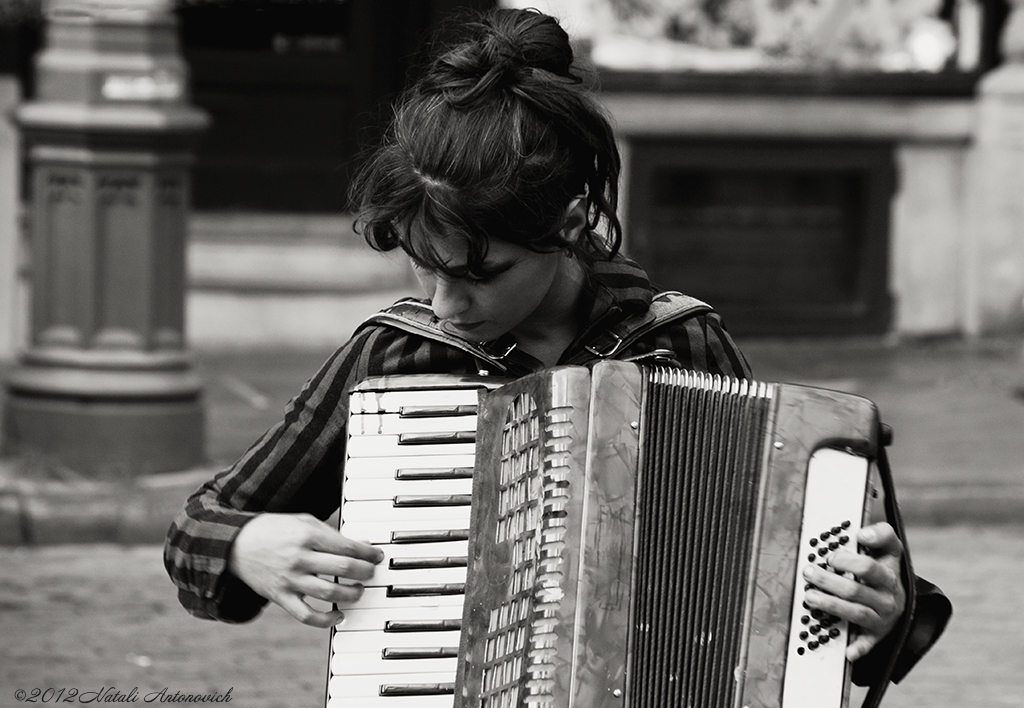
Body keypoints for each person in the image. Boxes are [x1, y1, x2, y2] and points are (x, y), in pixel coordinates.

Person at [164, 6, 948, 692]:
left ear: (571, 223)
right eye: (425, 267)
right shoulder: (394, 360)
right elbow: (198, 527)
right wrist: (247, 545)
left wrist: (881, 604)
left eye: (482, 274)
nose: (446, 305)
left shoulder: (681, 342)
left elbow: (794, 589)